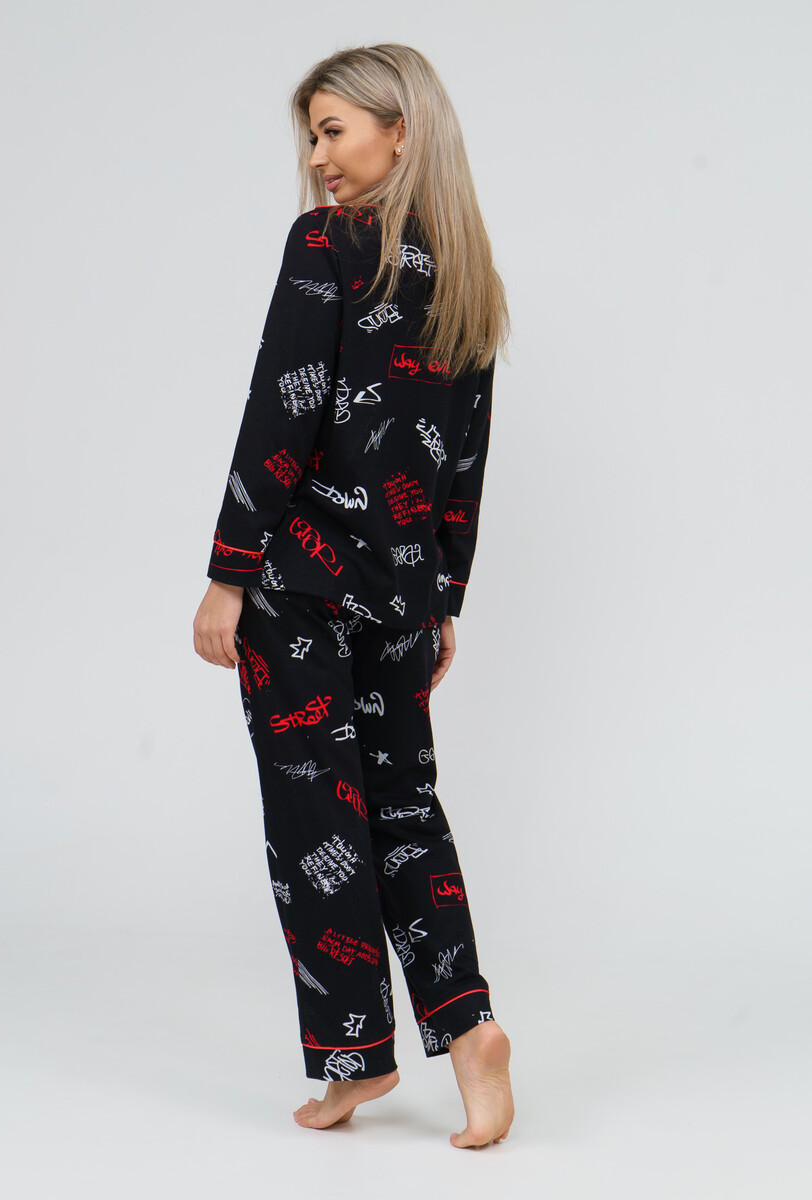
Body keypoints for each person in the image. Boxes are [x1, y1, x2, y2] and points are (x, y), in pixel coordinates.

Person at [193, 43, 514, 1148]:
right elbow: (464, 460)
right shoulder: (465, 274)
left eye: (334, 130)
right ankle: (470, 1031)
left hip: (299, 586)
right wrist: (444, 597)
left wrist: (227, 575)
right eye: (313, 135)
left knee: (316, 817)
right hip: (402, 592)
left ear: (400, 131)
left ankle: (354, 1061)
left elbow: (280, 414)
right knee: (406, 810)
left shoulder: (327, 243)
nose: (319, 157)